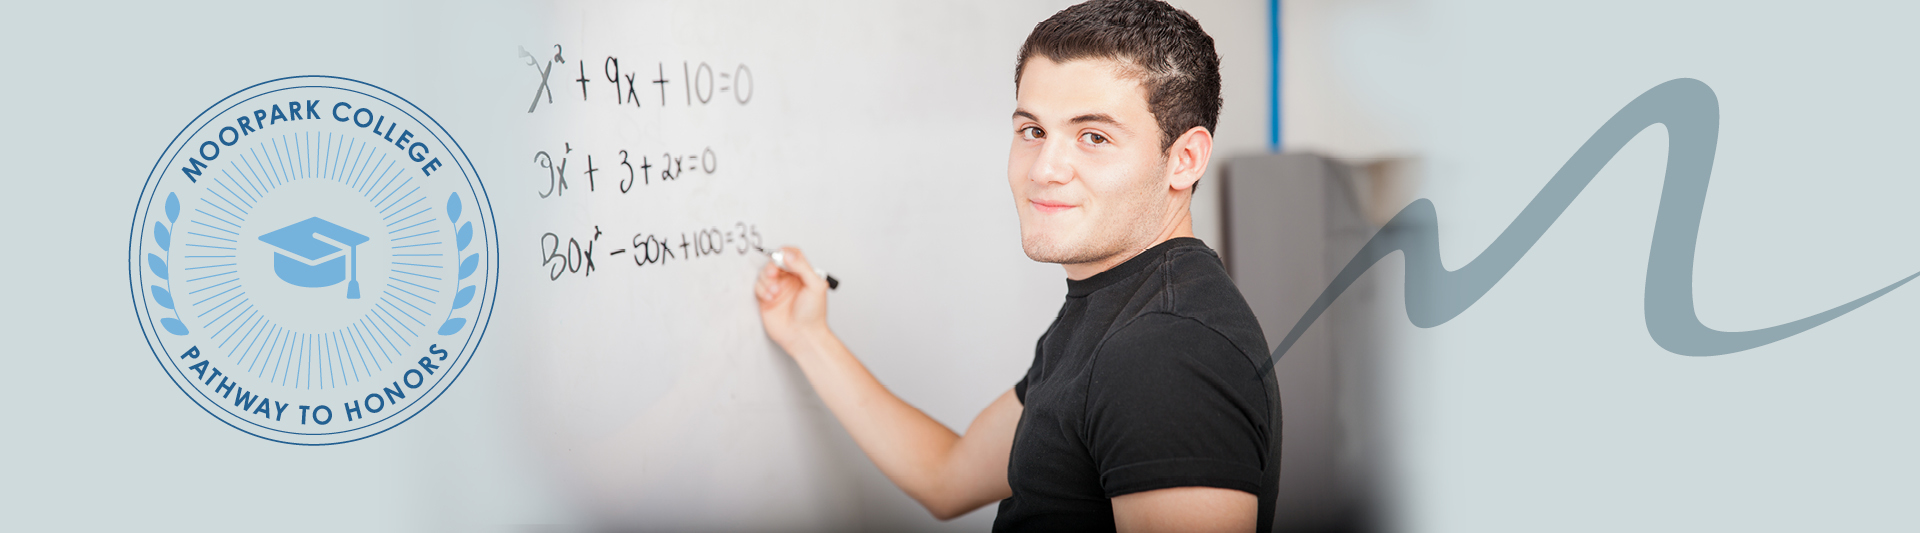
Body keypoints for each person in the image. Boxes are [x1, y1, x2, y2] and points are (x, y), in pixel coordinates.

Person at [752, 1, 1278, 531]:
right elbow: (947, 476)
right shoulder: (1113, 312)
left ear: (1184, 159)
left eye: (1093, 137)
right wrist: (808, 336)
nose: (1044, 169)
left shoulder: (1166, 350)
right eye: (1032, 131)